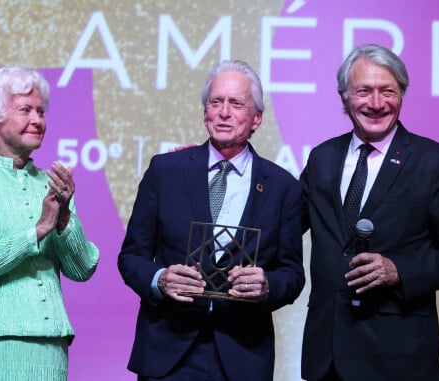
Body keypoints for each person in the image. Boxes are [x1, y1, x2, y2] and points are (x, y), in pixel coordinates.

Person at [299, 43, 439, 381]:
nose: (375, 103)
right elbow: (282, 218)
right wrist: (201, 169)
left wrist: (398, 270)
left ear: (402, 95)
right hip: (325, 357)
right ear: (344, 97)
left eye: (388, 91)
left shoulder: (432, 163)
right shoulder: (322, 158)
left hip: (398, 360)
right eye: (363, 91)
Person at [118, 60, 305, 381]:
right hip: (168, 352)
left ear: (257, 118)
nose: (224, 112)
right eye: (215, 102)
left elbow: (292, 274)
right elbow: (131, 257)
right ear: (205, 112)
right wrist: (159, 278)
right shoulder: (165, 171)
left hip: (242, 354)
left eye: (236, 104)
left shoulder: (283, 187)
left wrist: (266, 285)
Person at [0, 67, 100, 380]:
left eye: (41, 111)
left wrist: (64, 217)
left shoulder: (54, 184)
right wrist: (38, 230)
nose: (38, 120)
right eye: (25, 110)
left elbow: (82, 270)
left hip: (46, 346)